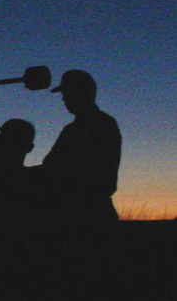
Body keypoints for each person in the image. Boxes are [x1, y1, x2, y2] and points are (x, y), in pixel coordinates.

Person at [36, 69, 122, 233]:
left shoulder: (89, 127)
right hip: (91, 213)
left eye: (67, 93)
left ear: (81, 93)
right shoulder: (100, 124)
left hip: (84, 216)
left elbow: (54, 169)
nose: (64, 98)